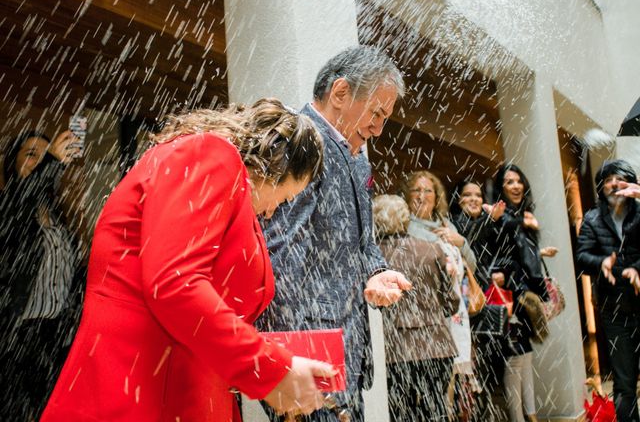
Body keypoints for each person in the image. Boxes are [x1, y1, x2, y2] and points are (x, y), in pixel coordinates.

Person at [41, 99, 336, 422]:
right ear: (271, 167)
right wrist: (269, 369)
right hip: (142, 387)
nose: (272, 211)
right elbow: (175, 283)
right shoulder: (209, 155)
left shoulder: (221, 179)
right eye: (284, 198)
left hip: (173, 389)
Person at [256, 46, 411, 421]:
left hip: (349, 348)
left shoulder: (358, 157)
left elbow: (362, 241)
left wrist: (376, 271)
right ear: (340, 93)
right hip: (310, 352)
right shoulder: (295, 142)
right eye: (376, 113)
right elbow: (278, 253)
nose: (379, 128)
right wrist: (289, 361)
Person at [0, 129, 84, 420]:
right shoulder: (8, 210)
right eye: (31, 155)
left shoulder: (58, 216)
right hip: (16, 342)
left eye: (45, 155)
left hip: (56, 338)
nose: (39, 162)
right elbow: (20, 202)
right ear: (12, 164)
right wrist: (52, 162)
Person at [400, 170, 479, 419]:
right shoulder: (405, 226)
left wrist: (461, 241)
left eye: (428, 190)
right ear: (408, 195)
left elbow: (472, 265)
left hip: (455, 313)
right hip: (425, 318)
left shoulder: (447, 224)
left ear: (437, 197)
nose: (422, 195)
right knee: (431, 392)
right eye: (417, 190)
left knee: (453, 385)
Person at [373, 194, 459, 422]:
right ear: (405, 219)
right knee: (436, 408)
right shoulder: (432, 250)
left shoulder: (374, 257)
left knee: (400, 412)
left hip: (394, 348)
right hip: (437, 345)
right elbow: (451, 302)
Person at [492, 164, 558, 422]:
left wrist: (538, 251)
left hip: (524, 292)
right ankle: (519, 418)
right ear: (501, 188)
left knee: (525, 356)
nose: (516, 186)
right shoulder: (503, 216)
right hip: (511, 295)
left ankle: (531, 416)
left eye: (518, 180)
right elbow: (499, 255)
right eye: (509, 182)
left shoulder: (521, 215)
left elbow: (519, 254)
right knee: (514, 360)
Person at [577, 160, 640, 422]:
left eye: (620, 178)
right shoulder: (591, 219)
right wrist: (600, 262)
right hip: (615, 312)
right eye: (608, 179)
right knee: (624, 384)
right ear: (601, 186)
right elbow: (581, 257)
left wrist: (638, 268)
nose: (613, 183)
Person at [450, 179, 508, 421]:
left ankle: (478, 413)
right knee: (467, 367)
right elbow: (467, 244)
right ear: (458, 199)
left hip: (481, 301)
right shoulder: (456, 224)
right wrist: (489, 219)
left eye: (477, 195)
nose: (474, 199)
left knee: (481, 367)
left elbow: (499, 251)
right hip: (464, 306)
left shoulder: (482, 223)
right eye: (467, 195)